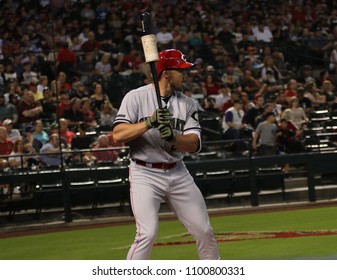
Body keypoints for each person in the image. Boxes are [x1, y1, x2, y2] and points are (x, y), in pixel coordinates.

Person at [112, 49, 219, 260]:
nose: (186, 75)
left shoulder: (188, 104)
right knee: (147, 233)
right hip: (145, 172)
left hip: (178, 172)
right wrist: (149, 123)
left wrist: (173, 137)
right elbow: (118, 135)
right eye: (181, 70)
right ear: (166, 73)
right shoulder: (135, 97)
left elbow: (194, 144)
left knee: (204, 231)